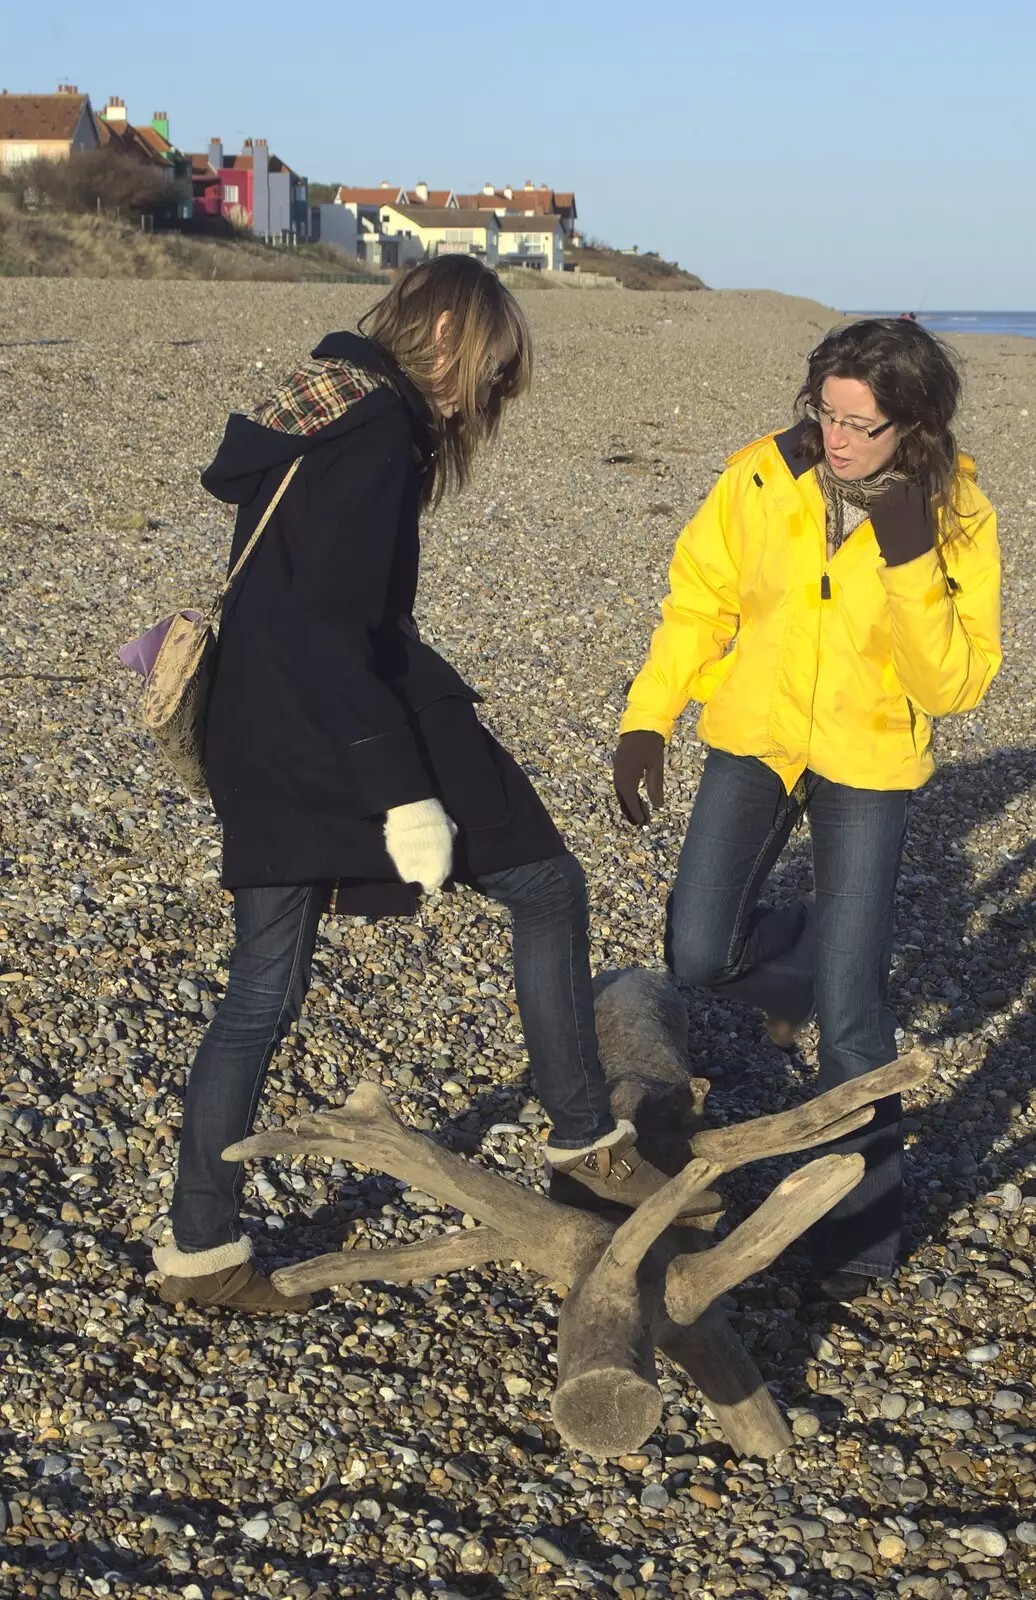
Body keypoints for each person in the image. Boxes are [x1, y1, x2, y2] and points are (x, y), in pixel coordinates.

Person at [154, 257, 678, 1312]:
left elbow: (300, 612)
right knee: (545, 888)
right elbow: (332, 631)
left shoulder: (324, 408)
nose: (490, 396)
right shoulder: (377, 437)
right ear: (445, 330)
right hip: (337, 729)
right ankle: (583, 1142)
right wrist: (400, 791)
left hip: (263, 728)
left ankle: (200, 1249)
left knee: (259, 992)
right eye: (493, 369)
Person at [613, 318, 1001, 1301]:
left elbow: (954, 683)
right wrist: (647, 719)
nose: (835, 438)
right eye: (825, 413)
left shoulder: (956, 514)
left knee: (857, 1019)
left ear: (912, 425)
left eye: (860, 425)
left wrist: (909, 556)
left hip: (869, 756)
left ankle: (858, 1234)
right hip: (758, 739)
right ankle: (804, 978)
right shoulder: (760, 476)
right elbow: (698, 598)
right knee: (697, 952)